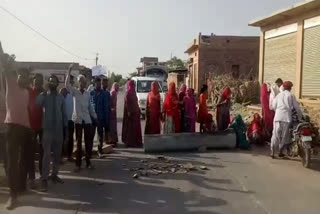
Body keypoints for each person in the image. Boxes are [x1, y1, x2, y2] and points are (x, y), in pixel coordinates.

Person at [1, 54, 32, 210]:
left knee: (25, 160)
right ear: (16, 76)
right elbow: (6, 67)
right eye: (21, 75)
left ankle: (22, 187)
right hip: (12, 127)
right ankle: (13, 197)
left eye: (26, 77)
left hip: (26, 129)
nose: (23, 78)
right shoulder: (11, 84)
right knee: (12, 163)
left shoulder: (26, 91)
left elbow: (25, 109)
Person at [36, 74, 67, 192]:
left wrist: (66, 131)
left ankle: (54, 174)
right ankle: (44, 178)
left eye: (54, 81)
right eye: (50, 81)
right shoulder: (44, 96)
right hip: (47, 130)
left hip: (59, 130)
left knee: (57, 155)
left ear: (57, 84)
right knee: (46, 155)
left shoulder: (61, 97)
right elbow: (37, 104)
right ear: (48, 83)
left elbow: (64, 114)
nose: (52, 83)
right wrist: (43, 93)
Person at [66, 65, 97, 171]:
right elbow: (67, 86)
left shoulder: (87, 94)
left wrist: (95, 117)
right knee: (78, 143)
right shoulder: (74, 92)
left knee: (88, 143)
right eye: (81, 81)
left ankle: (88, 162)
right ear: (78, 83)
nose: (83, 83)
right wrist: (69, 71)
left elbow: (90, 108)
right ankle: (78, 165)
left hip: (87, 120)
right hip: (78, 120)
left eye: (84, 82)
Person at [270, 81, 302, 158]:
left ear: (283, 88)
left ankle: (273, 152)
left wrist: (278, 110)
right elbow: (297, 108)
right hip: (286, 118)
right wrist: (300, 117)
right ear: (290, 88)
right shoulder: (291, 96)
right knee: (284, 136)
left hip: (277, 117)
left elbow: (273, 106)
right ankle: (280, 152)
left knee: (275, 134)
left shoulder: (278, 95)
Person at [28, 73, 44, 188]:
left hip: (43, 126)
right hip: (30, 126)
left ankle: (43, 176)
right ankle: (32, 178)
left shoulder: (45, 93)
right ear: (33, 81)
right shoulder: (29, 92)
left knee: (43, 152)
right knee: (30, 152)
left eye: (39, 81)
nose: (37, 83)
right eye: (35, 80)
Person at [90, 77, 110, 157]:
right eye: (97, 84)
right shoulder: (91, 93)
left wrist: (106, 120)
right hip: (92, 118)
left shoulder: (104, 94)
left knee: (100, 136)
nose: (98, 85)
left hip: (101, 118)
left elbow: (106, 107)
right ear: (94, 84)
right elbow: (89, 106)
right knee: (90, 136)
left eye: (99, 84)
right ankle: (89, 151)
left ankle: (99, 151)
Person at [122, 80, 142, 147]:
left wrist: (138, 109)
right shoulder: (128, 93)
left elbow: (136, 102)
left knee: (135, 127)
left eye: (134, 85)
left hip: (135, 113)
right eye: (132, 85)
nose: (133, 86)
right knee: (130, 128)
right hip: (130, 114)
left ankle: (136, 141)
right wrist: (129, 111)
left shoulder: (134, 92)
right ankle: (130, 142)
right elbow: (127, 104)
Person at [60, 87, 74, 162]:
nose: (62, 93)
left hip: (70, 120)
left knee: (70, 139)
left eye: (63, 92)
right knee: (61, 139)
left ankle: (69, 156)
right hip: (61, 121)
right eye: (61, 92)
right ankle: (61, 157)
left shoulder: (71, 96)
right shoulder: (59, 98)